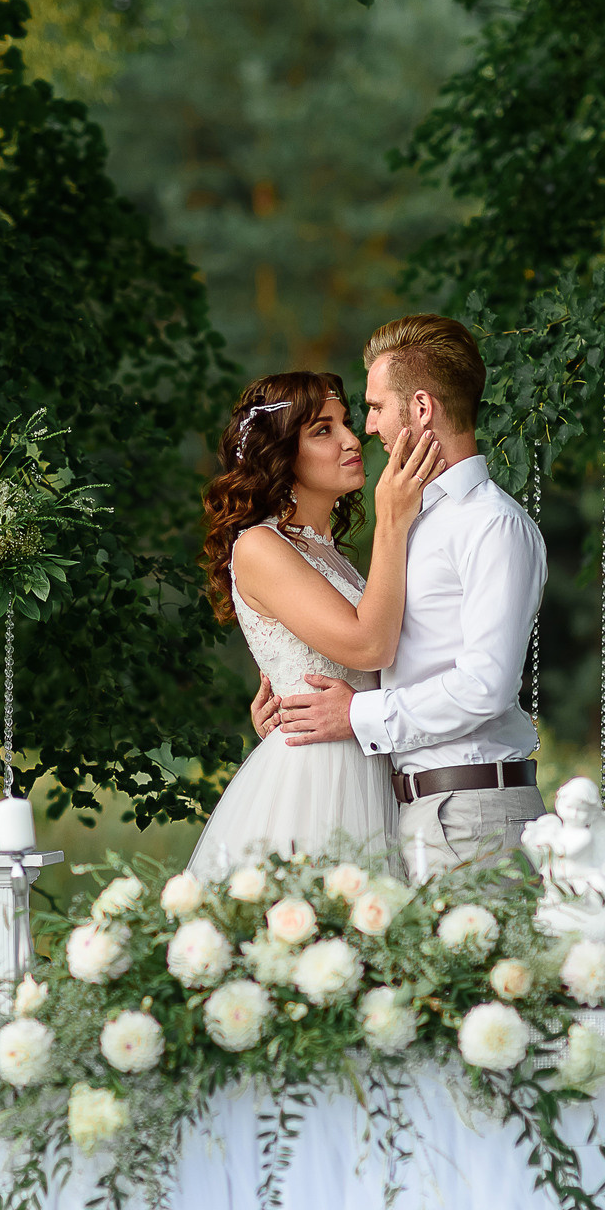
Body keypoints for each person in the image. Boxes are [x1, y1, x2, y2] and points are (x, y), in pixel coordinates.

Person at [272, 315, 548, 881]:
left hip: (473, 815)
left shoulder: (491, 525)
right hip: (420, 813)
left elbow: (485, 687)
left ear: (421, 409)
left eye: (375, 408)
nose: (368, 427)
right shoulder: (414, 517)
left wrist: (357, 713)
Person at [185, 371, 442, 877]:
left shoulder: (325, 552)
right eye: (322, 431)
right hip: (314, 778)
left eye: (346, 422)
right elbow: (369, 646)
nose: (352, 440)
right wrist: (392, 521)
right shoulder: (259, 546)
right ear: (281, 454)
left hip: (365, 766)